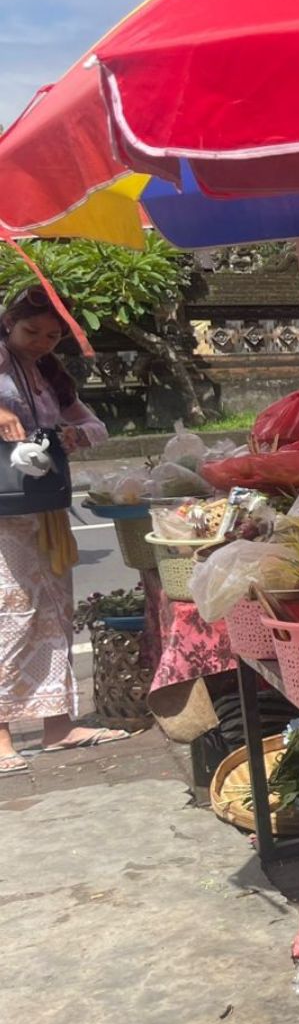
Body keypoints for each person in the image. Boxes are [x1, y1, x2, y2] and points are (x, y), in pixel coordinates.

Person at [0, 287, 124, 775]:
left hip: (45, 507)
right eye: (32, 331)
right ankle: (1, 734)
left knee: (54, 611)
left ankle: (57, 726)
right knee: (11, 614)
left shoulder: (50, 374)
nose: (40, 342)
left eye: (52, 336)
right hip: (5, 513)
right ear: (8, 323)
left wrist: (75, 435)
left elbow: (97, 427)